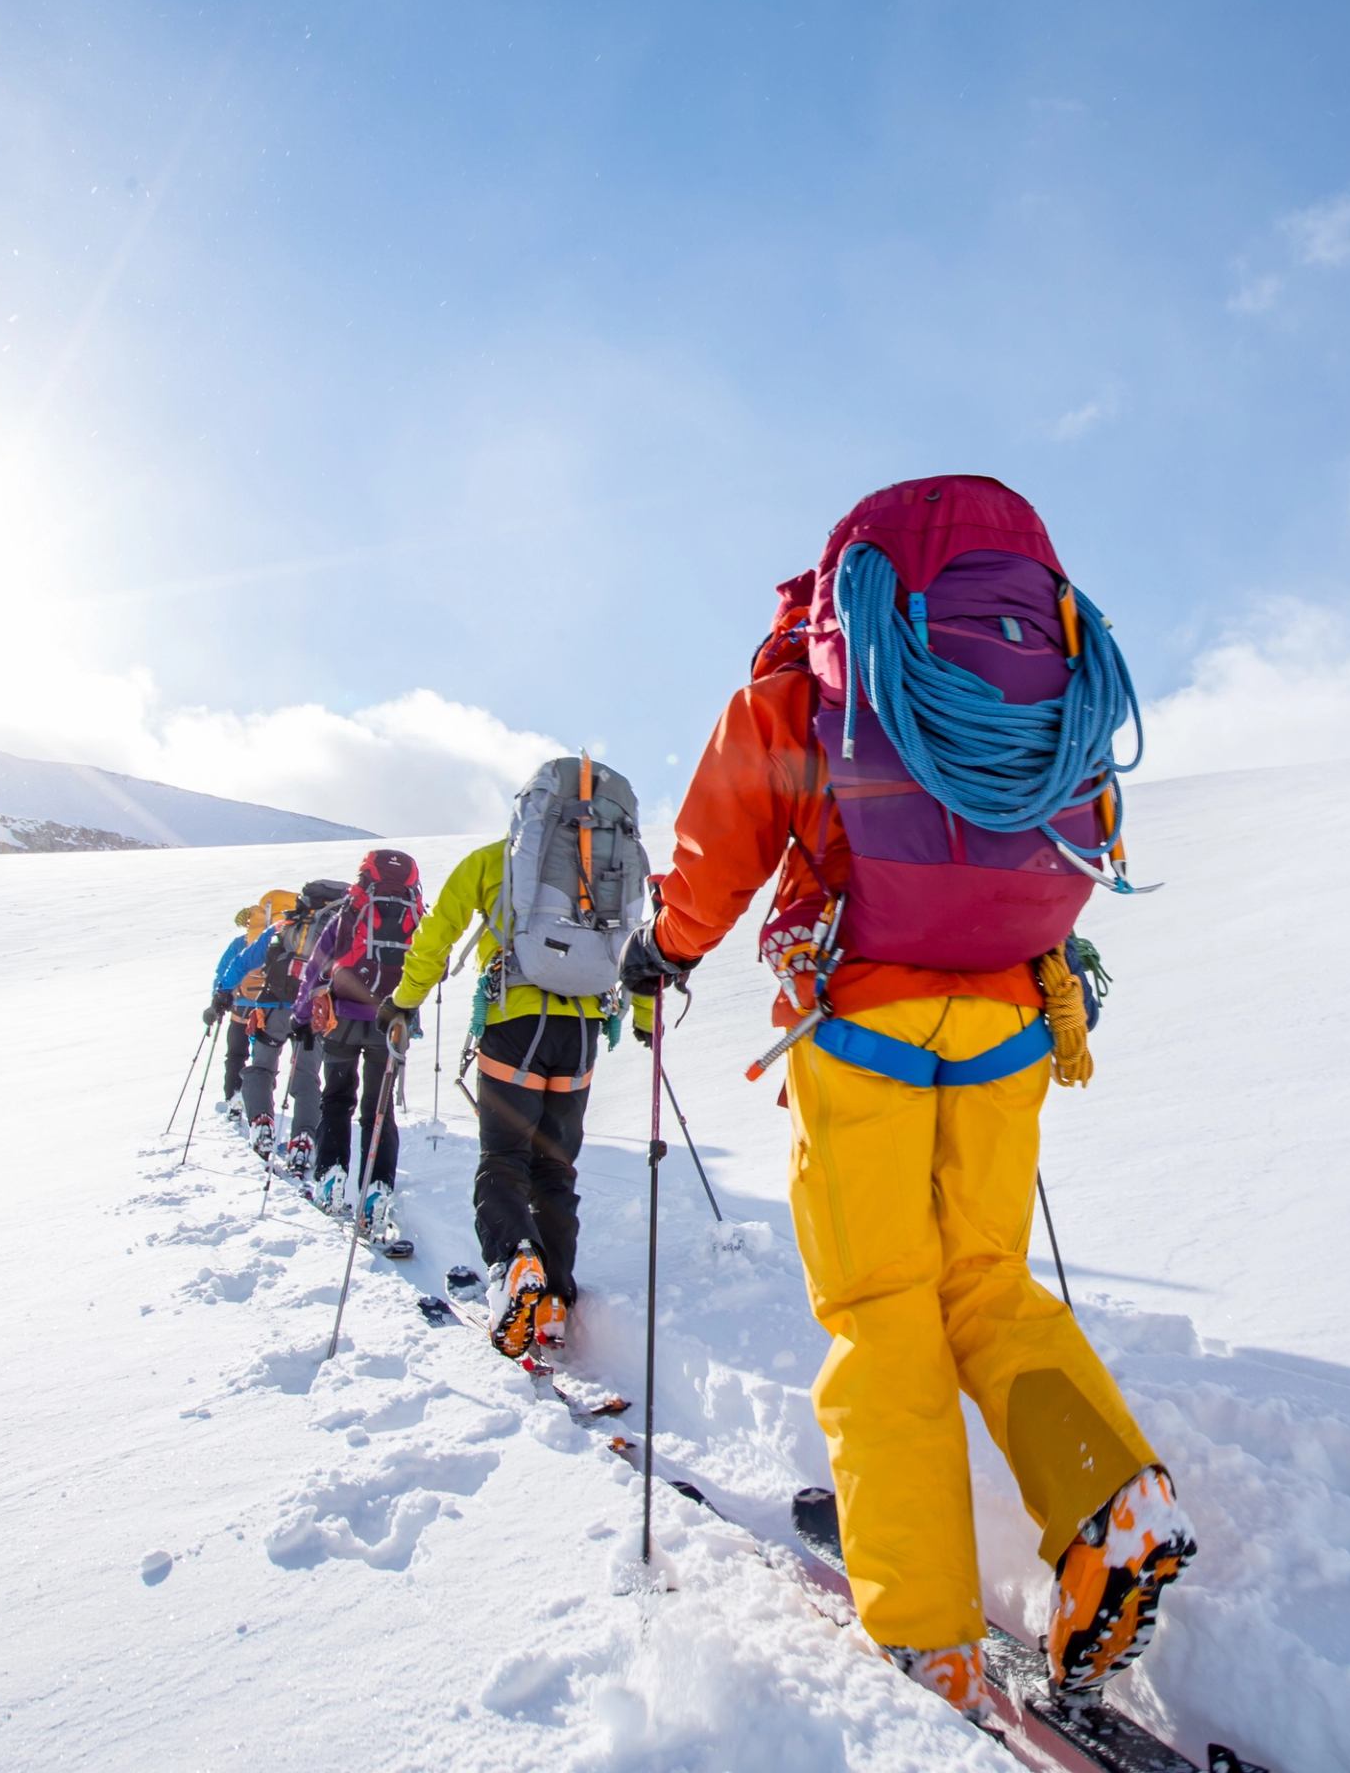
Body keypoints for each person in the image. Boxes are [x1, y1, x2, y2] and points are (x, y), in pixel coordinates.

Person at [621, 476, 1194, 1720]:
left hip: (861, 1012)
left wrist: (666, 948)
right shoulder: (1045, 654)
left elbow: (729, 828)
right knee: (984, 1280)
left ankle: (927, 1627)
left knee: (882, 1305)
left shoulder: (815, 667)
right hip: (1007, 1014)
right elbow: (1095, 827)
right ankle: (1112, 1499)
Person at [388, 755, 651, 1359]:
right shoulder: (612, 863)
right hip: (583, 1028)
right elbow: (638, 947)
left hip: (514, 1024)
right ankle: (555, 1296)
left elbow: (436, 937)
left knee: (503, 1159)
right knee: (555, 1169)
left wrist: (404, 1003)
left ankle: (515, 1265)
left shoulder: (495, 862)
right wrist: (642, 1021)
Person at [291, 851, 424, 1237]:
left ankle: (331, 1177)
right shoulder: (414, 916)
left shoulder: (347, 914)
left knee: (336, 1099)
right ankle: (377, 1191)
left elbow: (315, 967)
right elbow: (437, 965)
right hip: (391, 1024)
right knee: (378, 1110)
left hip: (342, 1022)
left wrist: (301, 1018)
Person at [241, 879, 347, 1173]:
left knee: (261, 1067)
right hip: (314, 1015)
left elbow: (248, 957)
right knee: (307, 1076)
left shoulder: (285, 926)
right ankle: (303, 1138)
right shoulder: (341, 931)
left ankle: (261, 1120)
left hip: (272, 1009)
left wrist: (223, 991)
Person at [207, 892, 294, 1138]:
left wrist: (218, 998)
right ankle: (259, 1102)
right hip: (268, 1005)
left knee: (236, 1052)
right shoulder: (286, 937)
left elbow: (225, 969)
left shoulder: (242, 942)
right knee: (262, 1060)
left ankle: (234, 1095)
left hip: (240, 1004)